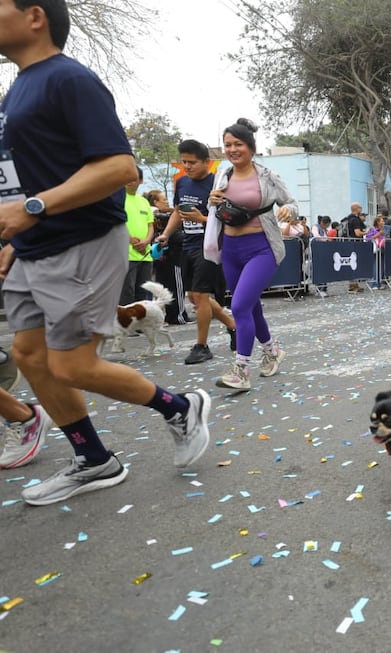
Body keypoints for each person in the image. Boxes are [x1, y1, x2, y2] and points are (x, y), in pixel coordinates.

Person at [0, 0, 212, 506]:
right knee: (30, 356)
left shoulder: (69, 79)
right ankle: (94, 460)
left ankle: (181, 407)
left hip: (80, 242)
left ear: (35, 16)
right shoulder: (17, 90)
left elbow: (121, 169)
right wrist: (12, 239)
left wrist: (34, 207)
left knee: (71, 365)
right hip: (32, 249)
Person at [202, 119, 293, 391]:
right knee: (251, 307)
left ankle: (241, 370)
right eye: (228, 144)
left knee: (239, 306)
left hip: (261, 248)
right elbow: (215, 207)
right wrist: (213, 200)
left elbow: (290, 201)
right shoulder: (222, 175)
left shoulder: (267, 176)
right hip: (230, 250)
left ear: (251, 147)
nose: (232, 149)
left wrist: (290, 211)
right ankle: (271, 352)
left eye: (238, 144)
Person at [158, 139, 237, 365]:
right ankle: (233, 327)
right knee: (193, 295)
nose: (188, 166)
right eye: (184, 162)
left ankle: (202, 346)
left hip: (210, 245)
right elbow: (177, 212)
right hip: (188, 245)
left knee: (201, 296)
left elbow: (227, 218)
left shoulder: (218, 184)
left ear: (206, 162)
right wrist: (166, 234)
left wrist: (201, 219)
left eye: (192, 162)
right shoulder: (182, 183)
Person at [145, 189, 190, 325]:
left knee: (166, 288)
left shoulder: (165, 216)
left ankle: (171, 315)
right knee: (172, 287)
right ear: (155, 202)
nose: (167, 202)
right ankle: (178, 315)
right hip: (169, 258)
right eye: (163, 199)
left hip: (165, 257)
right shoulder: (154, 216)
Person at [119, 166, 155, 306]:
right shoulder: (118, 199)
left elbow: (150, 225)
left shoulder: (144, 201)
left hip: (145, 255)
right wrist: (131, 240)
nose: (130, 181)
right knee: (126, 293)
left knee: (143, 293)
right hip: (126, 254)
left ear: (141, 180)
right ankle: (126, 327)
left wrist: (146, 241)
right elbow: (117, 222)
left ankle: (141, 326)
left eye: (134, 178)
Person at [341, 203, 366, 293]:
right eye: (360, 208)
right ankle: (352, 286)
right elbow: (358, 233)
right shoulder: (355, 219)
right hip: (355, 244)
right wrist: (367, 232)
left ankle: (353, 284)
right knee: (354, 264)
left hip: (348, 243)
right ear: (357, 208)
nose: (361, 209)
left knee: (352, 264)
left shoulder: (347, 218)